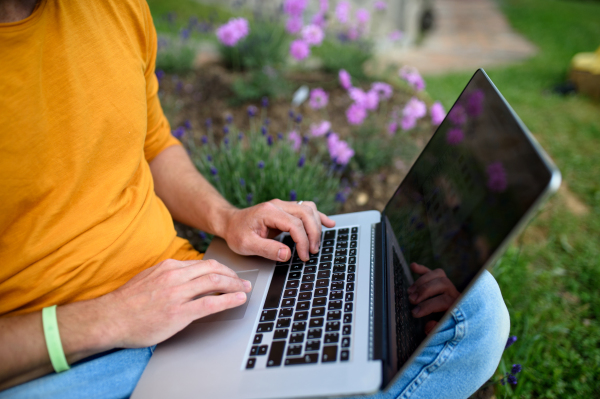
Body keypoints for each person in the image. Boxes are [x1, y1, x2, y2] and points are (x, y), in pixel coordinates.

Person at [0, 1, 509, 398]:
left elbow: (152, 144)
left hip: (192, 296)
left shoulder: (110, 6)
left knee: (475, 311)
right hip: (68, 361)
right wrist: (109, 319)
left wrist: (227, 217)